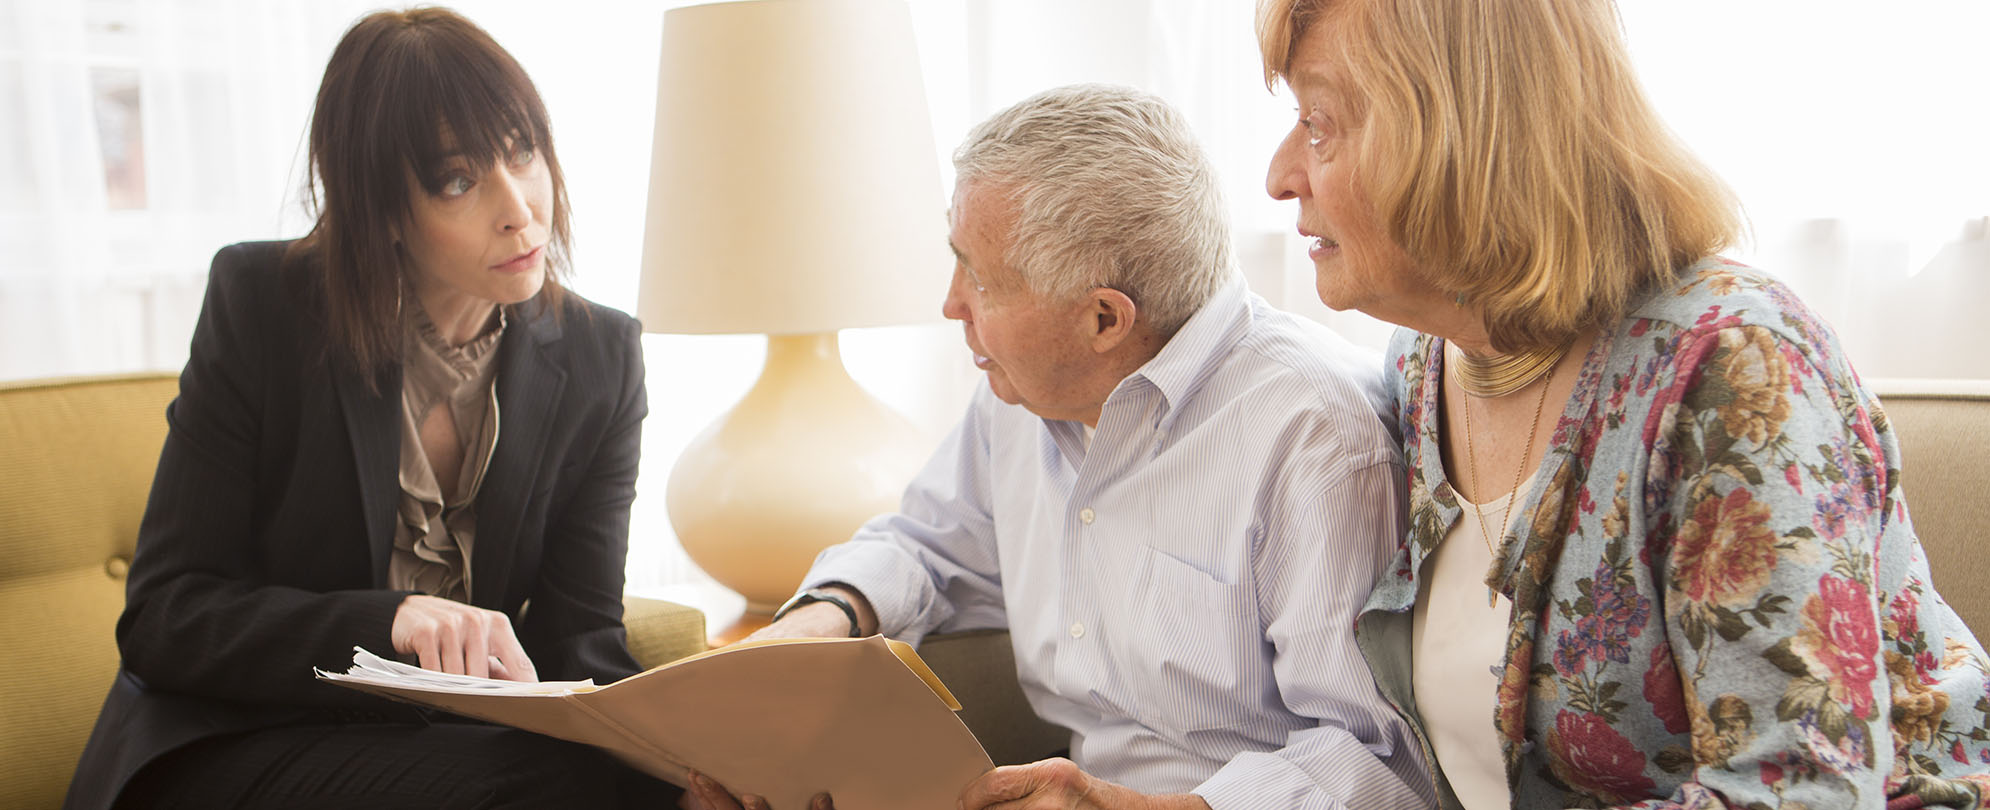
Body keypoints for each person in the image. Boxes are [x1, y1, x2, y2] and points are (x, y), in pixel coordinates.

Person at [1258, 0, 1990, 807]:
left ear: (1462, 133)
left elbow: (1802, 790)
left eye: (1320, 123)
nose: (1279, 175)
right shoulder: (1428, 362)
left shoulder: (1735, 371)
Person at [685, 84, 1436, 810]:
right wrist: (827, 614)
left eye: (978, 278)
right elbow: (927, 547)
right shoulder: (1024, 393)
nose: (951, 305)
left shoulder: (1317, 438)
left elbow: (1382, 764)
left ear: (1104, 319)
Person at [65, 9, 671, 809]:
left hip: (445, 753)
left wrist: (677, 762)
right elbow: (165, 618)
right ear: (383, 209)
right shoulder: (265, 309)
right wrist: (391, 623)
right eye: (459, 179)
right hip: (239, 741)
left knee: (637, 781)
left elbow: (582, 638)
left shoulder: (600, 356)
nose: (519, 206)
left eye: (522, 150)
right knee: (537, 783)